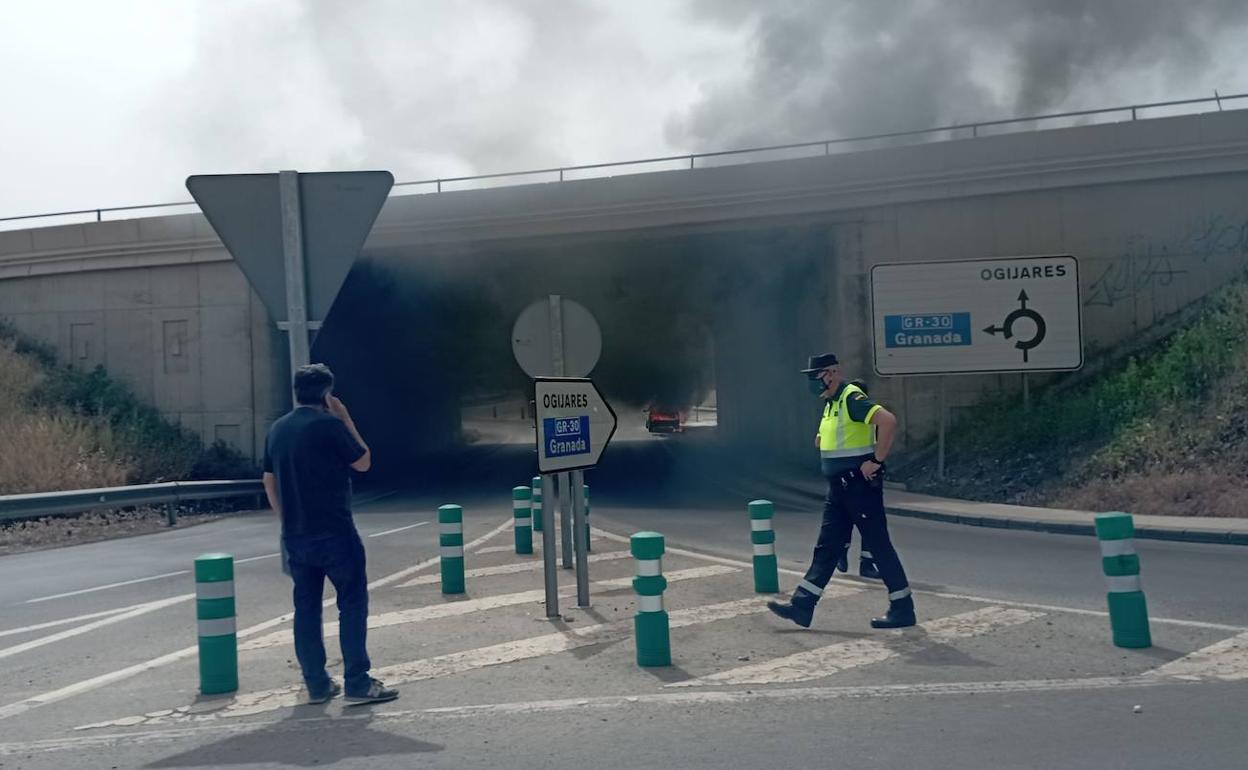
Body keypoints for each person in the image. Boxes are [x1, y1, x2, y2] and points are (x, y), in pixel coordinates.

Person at [262, 363, 399, 705]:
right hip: (335, 532)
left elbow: (269, 480)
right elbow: (363, 461)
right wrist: (346, 418)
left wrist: (287, 521)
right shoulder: (329, 426)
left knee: (306, 609)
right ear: (326, 394)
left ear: (296, 391)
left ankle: (317, 684)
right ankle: (357, 682)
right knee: (351, 604)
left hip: (296, 535)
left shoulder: (277, 429)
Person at [767, 353, 916, 630]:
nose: (812, 381)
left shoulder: (851, 397)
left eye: (817, 375)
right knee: (826, 548)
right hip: (839, 489)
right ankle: (802, 606)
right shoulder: (830, 403)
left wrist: (877, 461)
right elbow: (842, 435)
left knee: (879, 545)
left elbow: (888, 421)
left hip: (858, 487)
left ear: (832, 373)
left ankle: (903, 606)